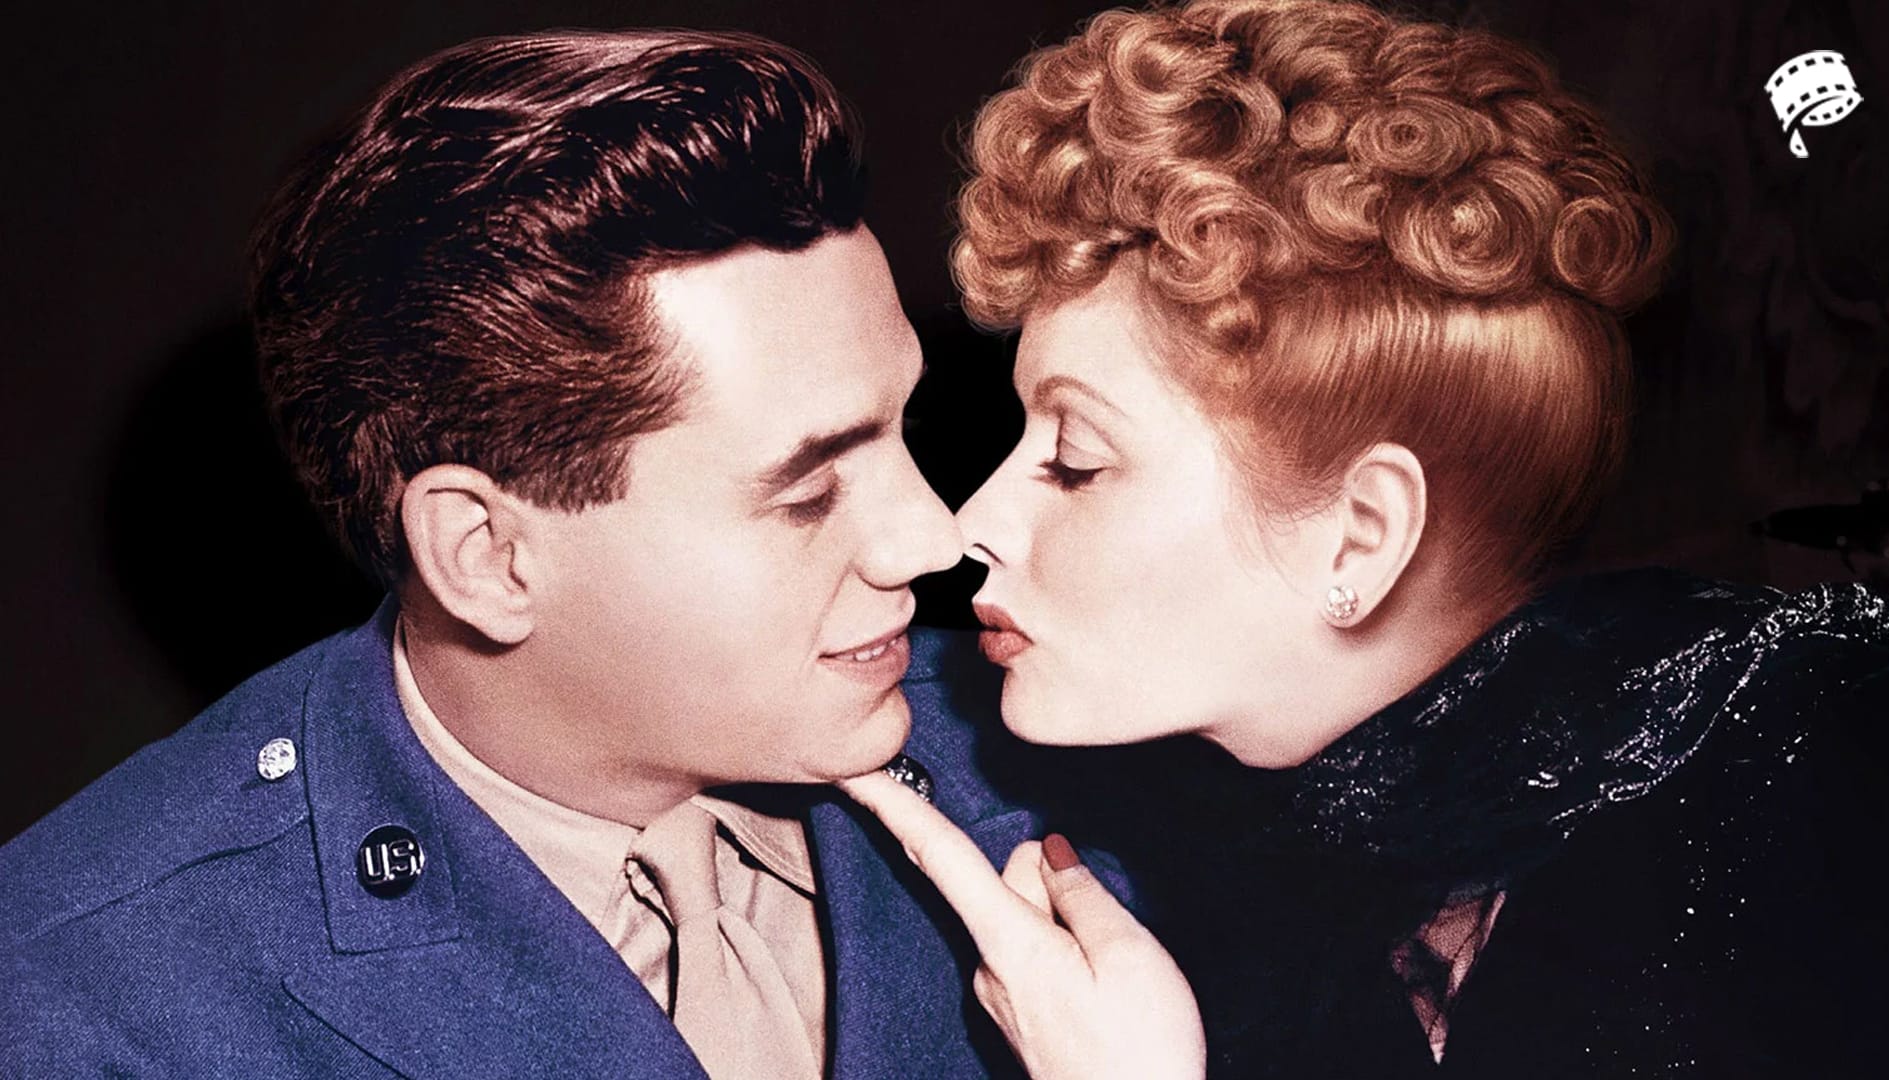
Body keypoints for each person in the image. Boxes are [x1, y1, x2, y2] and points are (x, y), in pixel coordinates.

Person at [841, 1, 1889, 1077]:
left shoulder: (1807, 793)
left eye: (1077, 460)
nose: (968, 524)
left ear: (1360, 539)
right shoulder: (1222, 856)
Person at [0, 29, 1089, 1078]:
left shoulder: (1088, 759)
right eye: (807, 492)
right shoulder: (83, 1006)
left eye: (906, 426)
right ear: (486, 556)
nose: (932, 536)